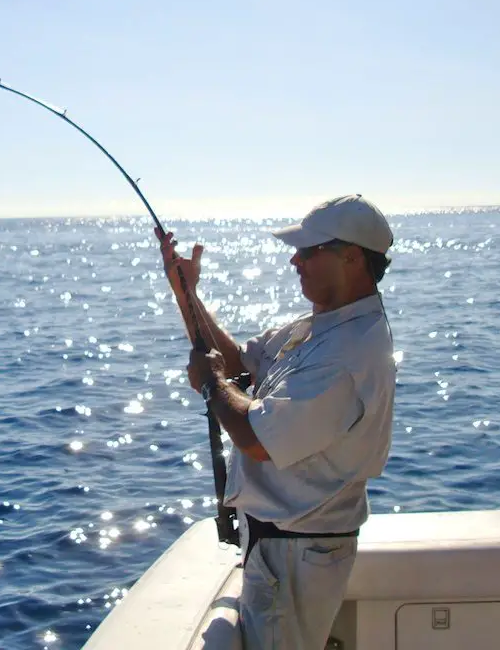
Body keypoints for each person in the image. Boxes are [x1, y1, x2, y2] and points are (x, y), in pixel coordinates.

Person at [155, 193, 396, 650]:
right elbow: (236, 366)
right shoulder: (319, 328)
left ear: (351, 256)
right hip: (279, 548)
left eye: (308, 250)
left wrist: (211, 385)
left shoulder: (349, 355)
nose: (294, 259)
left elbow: (255, 437)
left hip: (297, 558)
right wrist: (186, 293)